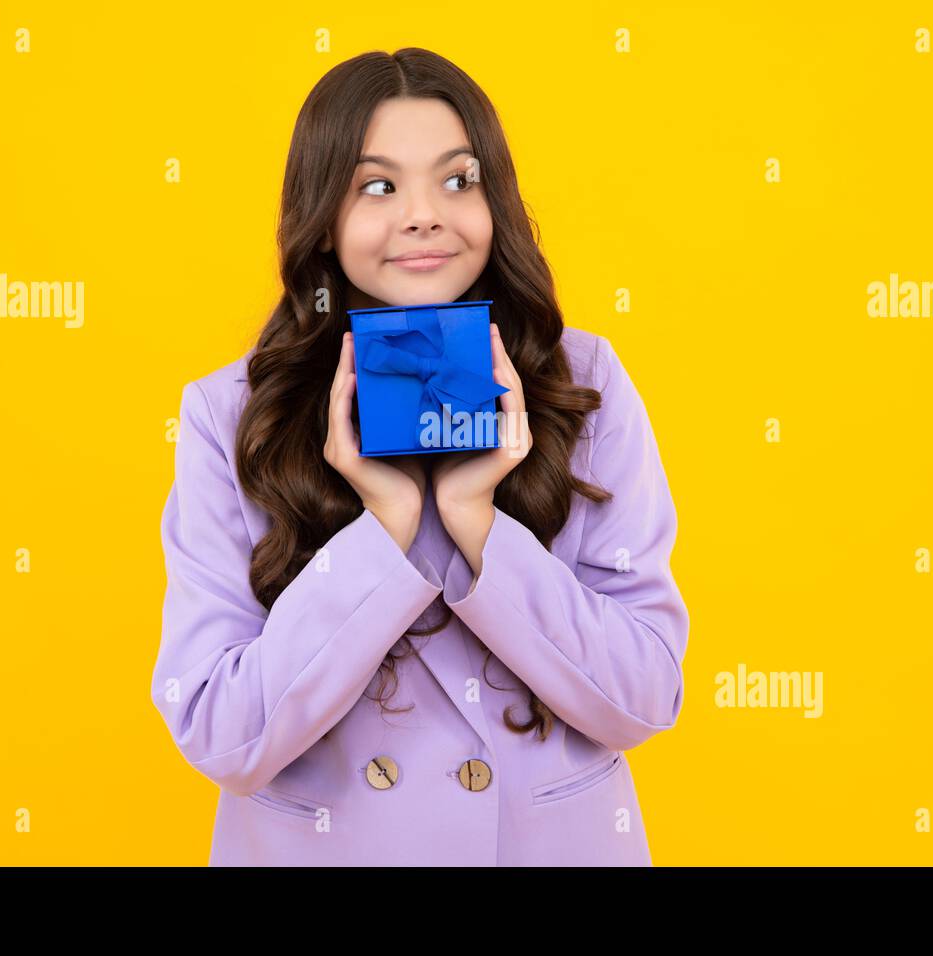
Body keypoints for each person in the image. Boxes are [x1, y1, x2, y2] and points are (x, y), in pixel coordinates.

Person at [150, 47, 690, 866]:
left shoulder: (583, 383)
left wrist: (479, 526)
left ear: (494, 200)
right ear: (322, 217)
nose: (423, 214)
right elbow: (222, 735)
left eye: (457, 179)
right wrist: (385, 529)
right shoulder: (231, 413)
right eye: (378, 186)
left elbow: (644, 696)